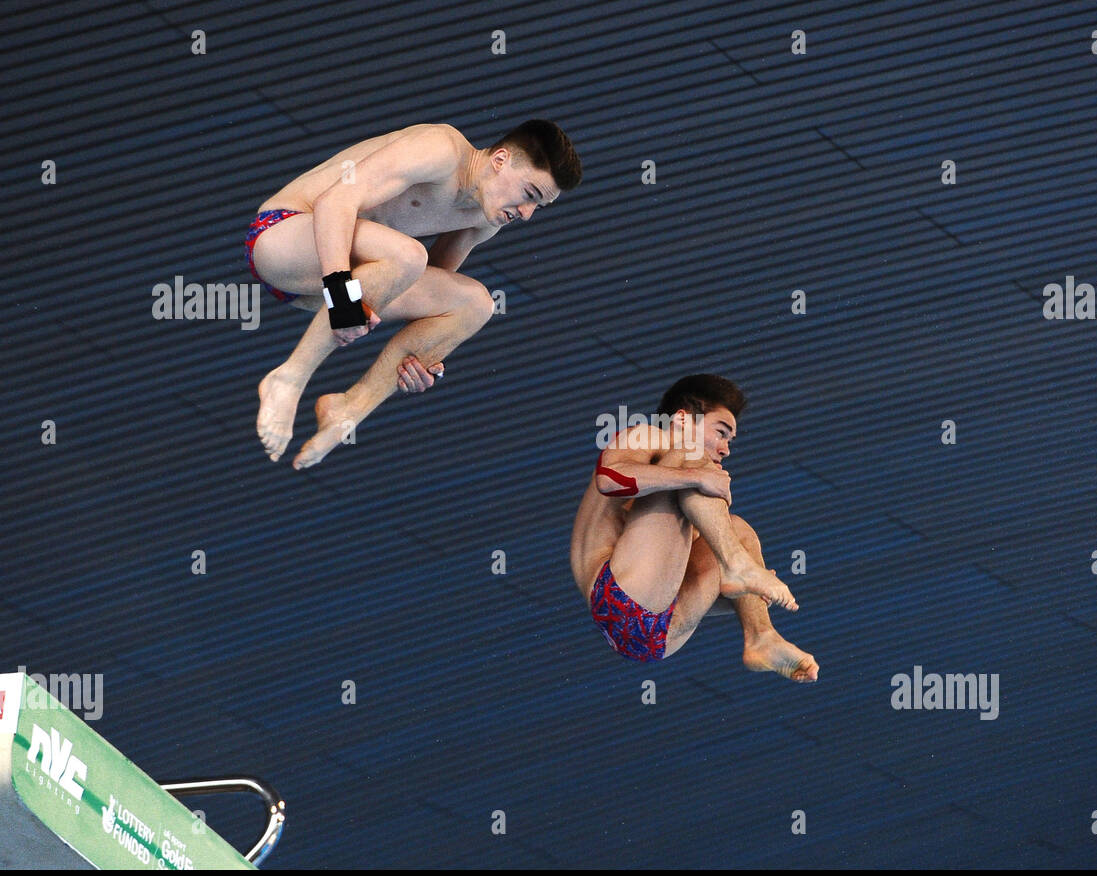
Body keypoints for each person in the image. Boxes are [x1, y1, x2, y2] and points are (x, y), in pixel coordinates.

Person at [248, 119, 582, 468]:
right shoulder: (440, 149)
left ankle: (348, 408)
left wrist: (424, 356)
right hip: (282, 236)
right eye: (529, 195)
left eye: (538, 207)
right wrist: (342, 298)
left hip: (321, 287)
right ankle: (289, 377)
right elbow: (336, 201)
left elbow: (431, 288)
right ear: (500, 160)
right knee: (408, 255)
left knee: (476, 304)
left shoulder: (484, 219)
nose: (526, 215)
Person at [569, 375, 818, 682]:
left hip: (659, 635)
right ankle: (736, 566)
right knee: (692, 458)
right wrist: (695, 476)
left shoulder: (680, 518)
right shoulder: (646, 436)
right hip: (615, 600)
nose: (726, 449)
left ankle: (760, 636)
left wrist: (746, 599)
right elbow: (608, 480)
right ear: (684, 418)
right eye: (721, 432)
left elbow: (678, 588)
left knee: (737, 529)